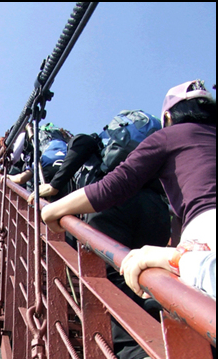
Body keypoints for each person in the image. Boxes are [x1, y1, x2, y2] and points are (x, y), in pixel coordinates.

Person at [41, 80, 216, 298]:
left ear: (168, 118)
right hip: (164, 217)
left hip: (206, 227)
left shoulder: (170, 135)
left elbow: (115, 185)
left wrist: (52, 209)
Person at [30, 129, 172, 359]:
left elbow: (81, 145)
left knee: (104, 282)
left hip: (113, 207)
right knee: (139, 277)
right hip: (157, 210)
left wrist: (54, 186)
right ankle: (158, 323)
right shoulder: (113, 151)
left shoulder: (79, 143)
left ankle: (135, 354)